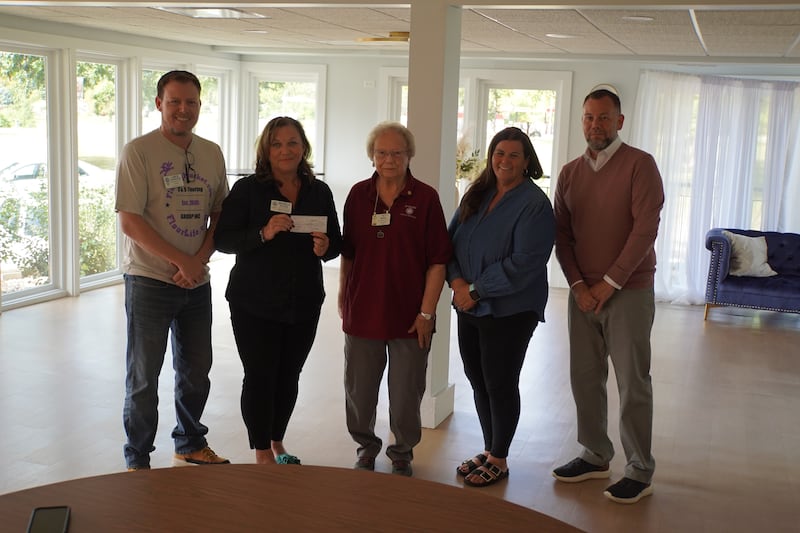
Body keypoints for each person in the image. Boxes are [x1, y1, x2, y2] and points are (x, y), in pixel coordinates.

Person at [551, 87, 664, 504]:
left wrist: (608, 283)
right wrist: (579, 285)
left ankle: (639, 467)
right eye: (588, 117)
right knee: (584, 376)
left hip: (628, 291)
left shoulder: (640, 165)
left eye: (603, 117)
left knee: (632, 380)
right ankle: (595, 453)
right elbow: (561, 235)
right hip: (582, 294)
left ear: (619, 121)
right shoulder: (569, 173)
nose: (594, 125)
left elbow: (644, 231)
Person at [116, 70, 230, 470]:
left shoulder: (212, 153)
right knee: (144, 377)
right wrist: (182, 261)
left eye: (192, 102)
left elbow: (220, 215)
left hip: (196, 283)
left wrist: (197, 261)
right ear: (159, 103)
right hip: (149, 281)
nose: (184, 110)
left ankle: (190, 443)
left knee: (196, 371)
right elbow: (130, 221)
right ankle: (138, 458)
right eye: (175, 101)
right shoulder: (139, 151)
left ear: (200, 105)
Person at [214, 116, 342, 465]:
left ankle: (277, 441)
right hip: (254, 302)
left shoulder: (319, 191)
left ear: (304, 148)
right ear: (266, 150)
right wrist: (262, 233)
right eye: (277, 144)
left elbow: (337, 242)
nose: (285, 150)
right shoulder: (248, 190)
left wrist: (325, 247)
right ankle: (260, 452)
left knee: (289, 375)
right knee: (259, 375)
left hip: (303, 301)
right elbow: (223, 239)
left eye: (292, 143)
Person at [338, 121, 452, 477]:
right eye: (382, 152)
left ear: (409, 155)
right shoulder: (358, 195)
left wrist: (427, 313)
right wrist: (344, 296)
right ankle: (366, 447)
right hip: (364, 311)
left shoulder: (426, 197)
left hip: (409, 315)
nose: (389, 159)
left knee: (405, 393)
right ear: (372, 156)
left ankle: (402, 451)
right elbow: (349, 254)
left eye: (396, 153)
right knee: (360, 390)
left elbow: (438, 261)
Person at [447, 126, 555, 488]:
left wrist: (476, 290)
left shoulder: (535, 205)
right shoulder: (476, 194)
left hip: (510, 310)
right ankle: (490, 447)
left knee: (500, 381)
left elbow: (525, 262)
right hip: (468, 305)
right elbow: (449, 242)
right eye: (498, 153)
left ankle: (500, 458)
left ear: (527, 162)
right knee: (477, 379)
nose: (504, 160)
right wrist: (459, 283)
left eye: (513, 155)